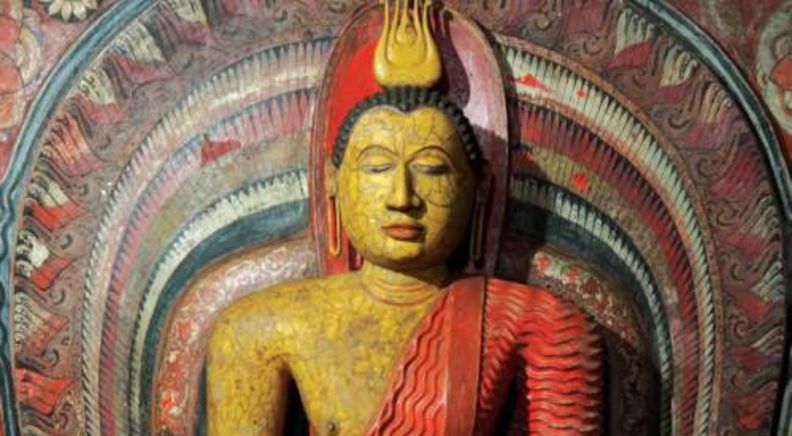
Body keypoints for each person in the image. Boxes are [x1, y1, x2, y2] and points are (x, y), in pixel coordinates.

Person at [206, 2, 603, 434]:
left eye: (431, 168)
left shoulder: (533, 320)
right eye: (377, 167)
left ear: (479, 188)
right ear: (333, 184)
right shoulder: (261, 325)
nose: (402, 198)